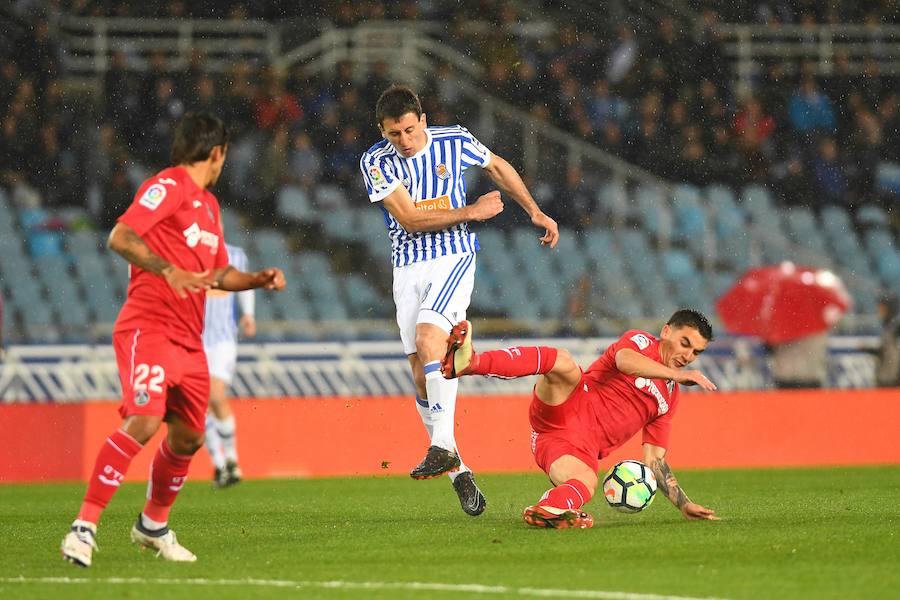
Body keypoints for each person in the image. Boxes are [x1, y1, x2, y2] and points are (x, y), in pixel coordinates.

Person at [60, 113, 286, 567]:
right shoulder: (167, 186)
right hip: (150, 327)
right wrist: (166, 268)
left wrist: (256, 280)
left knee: (188, 438)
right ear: (217, 153)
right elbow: (120, 236)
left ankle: (152, 525)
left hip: (189, 340)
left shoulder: (209, 206)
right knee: (144, 421)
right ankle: (83, 528)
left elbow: (219, 273)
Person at [359, 85, 559, 517]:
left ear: (423, 121)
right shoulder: (375, 161)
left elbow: (498, 168)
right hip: (407, 267)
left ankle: (441, 443)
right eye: (395, 134)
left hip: (453, 256)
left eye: (411, 130)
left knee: (430, 338)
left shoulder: (456, 140)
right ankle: (457, 469)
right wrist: (472, 211)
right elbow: (410, 219)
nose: (405, 141)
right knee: (420, 373)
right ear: (383, 131)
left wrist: (534, 211)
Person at [441, 309, 721, 529]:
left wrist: (683, 504)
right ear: (666, 331)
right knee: (562, 362)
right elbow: (624, 361)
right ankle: (471, 363)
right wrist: (677, 376)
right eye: (685, 343)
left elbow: (655, 460)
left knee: (586, 481)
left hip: (570, 447)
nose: (688, 356)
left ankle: (549, 508)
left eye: (696, 352)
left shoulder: (669, 398)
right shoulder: (641, 341)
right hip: (570, 403)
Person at [202, 243, 255, 488]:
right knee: (199, 406)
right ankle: (220, 464)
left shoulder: (235, 254)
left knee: (215, 395)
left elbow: (244, 285)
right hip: (193, 337)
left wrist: (248, 314)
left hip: (223, 338)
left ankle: (232, 459)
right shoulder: (188, 251)